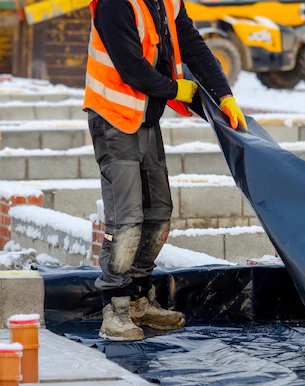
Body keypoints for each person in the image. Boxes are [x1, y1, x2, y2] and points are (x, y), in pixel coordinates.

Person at [83, 0, 248, 341]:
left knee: (158, 215)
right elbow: (131, 67)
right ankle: (115, 308)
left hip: (144, 117)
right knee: (126, 220)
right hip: (113, 118)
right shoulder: (115, 5)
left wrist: (225, 94)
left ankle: (140, 300)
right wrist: (176, 89)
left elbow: (192, 44)